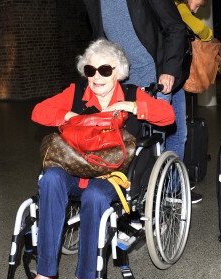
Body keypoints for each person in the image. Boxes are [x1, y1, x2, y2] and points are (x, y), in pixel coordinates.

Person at [23, 39, 175, 279]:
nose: (97, 77)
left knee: (95, 195)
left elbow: (167, 116)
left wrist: (132, 107)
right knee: (50, 179)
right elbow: (38, 112)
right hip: (75, 168)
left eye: (105, 70)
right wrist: (66, 116)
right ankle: (45, 273)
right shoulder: (76, 93)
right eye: (91, 71)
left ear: (118, 72)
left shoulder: (131, 93)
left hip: (110, 174)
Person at [81, 0, 203, 203]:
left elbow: (175, 26)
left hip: (157, 73)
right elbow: (98, 40)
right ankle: (137, 195)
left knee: (160, 138)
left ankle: (164, 196)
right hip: (124, 78)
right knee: (128, 139)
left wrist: (169, 71)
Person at [175, 0, 221, 204]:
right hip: (171, 76)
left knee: (178, 131)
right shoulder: (178, 7)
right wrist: (210, 36)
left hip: (173, 75)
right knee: (178, 134)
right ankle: (173, 189)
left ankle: (173, 184)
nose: (196, 10)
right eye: (198, 4)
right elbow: (199, 28)